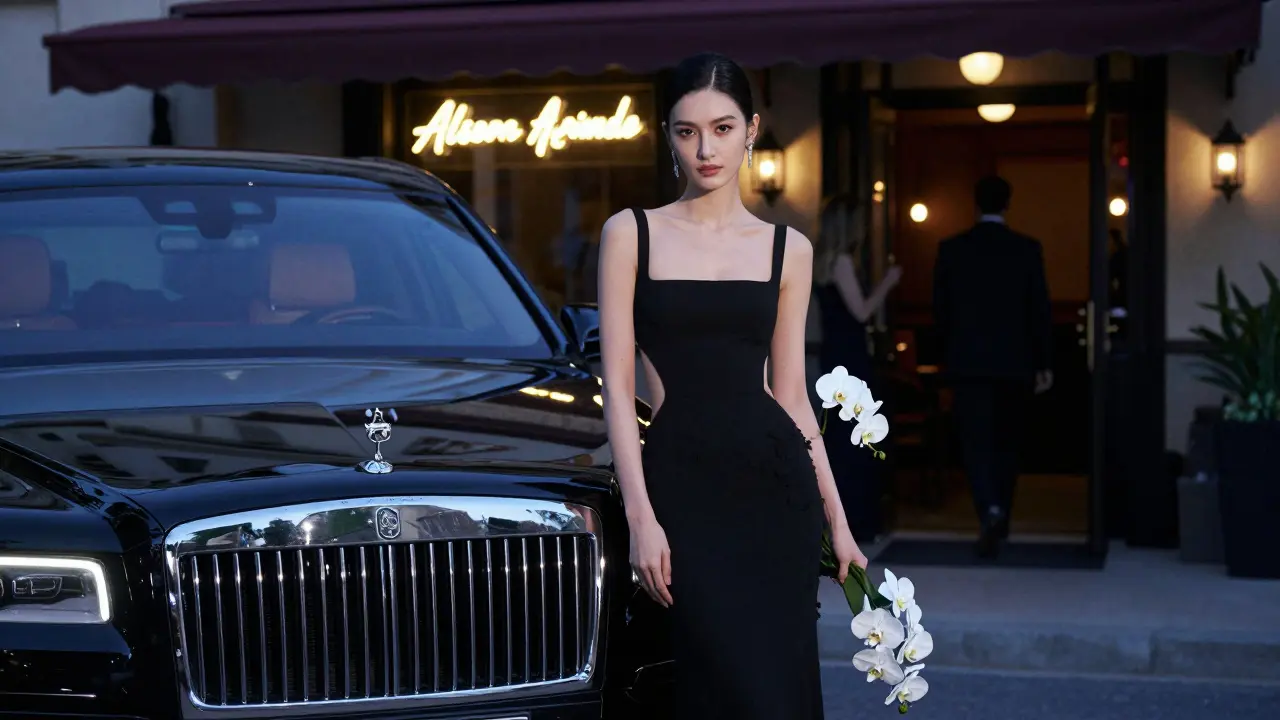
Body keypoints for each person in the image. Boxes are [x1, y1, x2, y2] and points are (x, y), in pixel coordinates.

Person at [597, 52, 865, 719]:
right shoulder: (631, 233)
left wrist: (840, 521)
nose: (705, 148)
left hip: (774, 496)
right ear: (668, 136)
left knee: (778, 693)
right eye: (687, 131)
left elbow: (794, 397)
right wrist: (641, 519)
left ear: (751, 131)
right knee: (705, 689)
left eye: (721, 128)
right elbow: (619, 382)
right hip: (682, 495)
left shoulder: (788, 250)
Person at [932, 175, 1053, 559]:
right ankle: (1002, 511)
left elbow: (942, 314)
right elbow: (1040, 310)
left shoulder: (952, 250)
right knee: (1008, 443)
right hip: (1015, 363)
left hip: (968, 364)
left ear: (975, 204)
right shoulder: (1026, 249)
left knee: (975, 443)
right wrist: (1044, 361)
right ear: (1008, 204)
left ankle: (990, 509)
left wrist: (944, 359)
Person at [813, 193, 902, 542]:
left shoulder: (826, 261)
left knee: (843, 439)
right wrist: (888, 282)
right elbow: (861, 311)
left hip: (836, 356)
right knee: (858, 440)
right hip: (849, 359)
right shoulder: (842, 262)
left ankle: (846, 522)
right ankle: (859, 522)